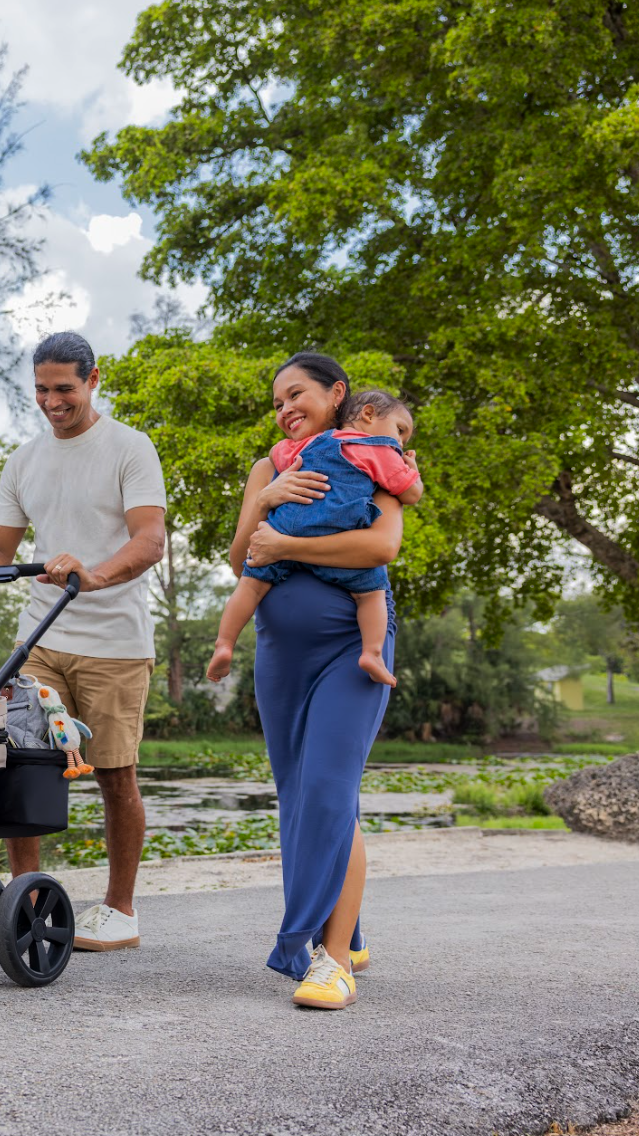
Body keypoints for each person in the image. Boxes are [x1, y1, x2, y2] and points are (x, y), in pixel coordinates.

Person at [0, 331, 166, 951]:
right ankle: (26, 904)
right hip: (40, 634)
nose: (52, 401)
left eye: (64, 388)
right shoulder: (25, 459)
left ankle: (120, 911)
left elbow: (148, 541)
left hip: (114, 642)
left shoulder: (129, 449)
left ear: (93, 380)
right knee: (17, 763)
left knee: (115, 775)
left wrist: (95, 575)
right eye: (41, 389)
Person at [229, 352, 406, 1010]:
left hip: (350, 647)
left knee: (330, 792)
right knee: (299, 798)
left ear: (337, 395)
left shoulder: (370, 454)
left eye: (296, 393)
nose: (284, 408)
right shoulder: (267, 466)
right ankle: (346, 927)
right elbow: (239, 557)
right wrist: (266, 502)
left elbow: (380, 548)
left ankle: (331, 961)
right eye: (276, 402)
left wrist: (288, 544)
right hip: (279, 652)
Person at [207, 389, 423, 688]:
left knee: (251, 585)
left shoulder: (307, 444)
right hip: (337, 531)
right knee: (371, 593)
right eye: (400, 431)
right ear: (369, 414)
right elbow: (411, 494)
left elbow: (276, 454)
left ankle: (224, 643)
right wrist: (412, 472)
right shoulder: (382, 451)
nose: (400, 443)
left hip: (287, 526)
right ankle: (372, 653)